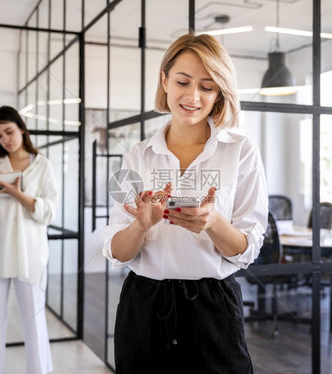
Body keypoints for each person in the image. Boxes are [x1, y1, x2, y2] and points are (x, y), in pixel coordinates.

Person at [102, 33, 268, 374]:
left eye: (207, 87)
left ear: (220, 92)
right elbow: (117, 252)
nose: (193, 96)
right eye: (182, 81)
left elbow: (247, 251)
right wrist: (140, 225)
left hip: (214, 308)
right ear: (164, 80)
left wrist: (214, 222)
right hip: (144, 306)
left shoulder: (240, 152)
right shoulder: (139, 154)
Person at [0, 106, 58, 374]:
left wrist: (16, 193)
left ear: (22, 128)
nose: (5, 139)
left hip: (28, 253)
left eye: (9, 132)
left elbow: (49, 211)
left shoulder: (42, 165)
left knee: (34, 321)